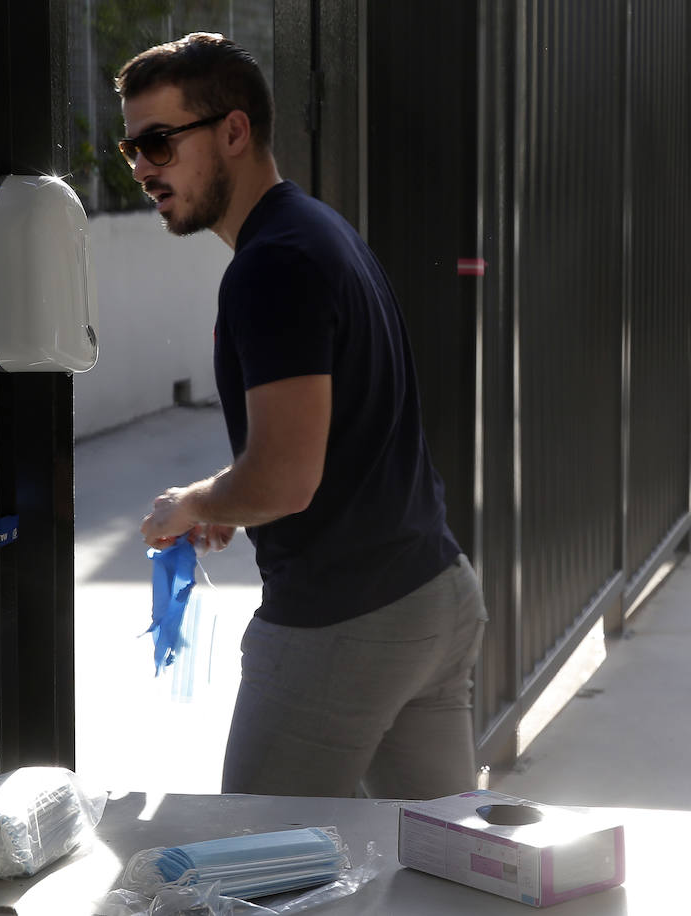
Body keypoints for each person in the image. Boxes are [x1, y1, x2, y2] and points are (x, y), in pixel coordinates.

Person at [118, 32, 486, 800]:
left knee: (256, 874)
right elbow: (326, 448)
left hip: (345, 624)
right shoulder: (316, 230)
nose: (145, 167)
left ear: (233, 131)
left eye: (159, 141)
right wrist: (232, 498)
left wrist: (197, 502)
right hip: (430, 595)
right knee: (438, 867)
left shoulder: (273, 266)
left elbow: (284, 480)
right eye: (132, 150)